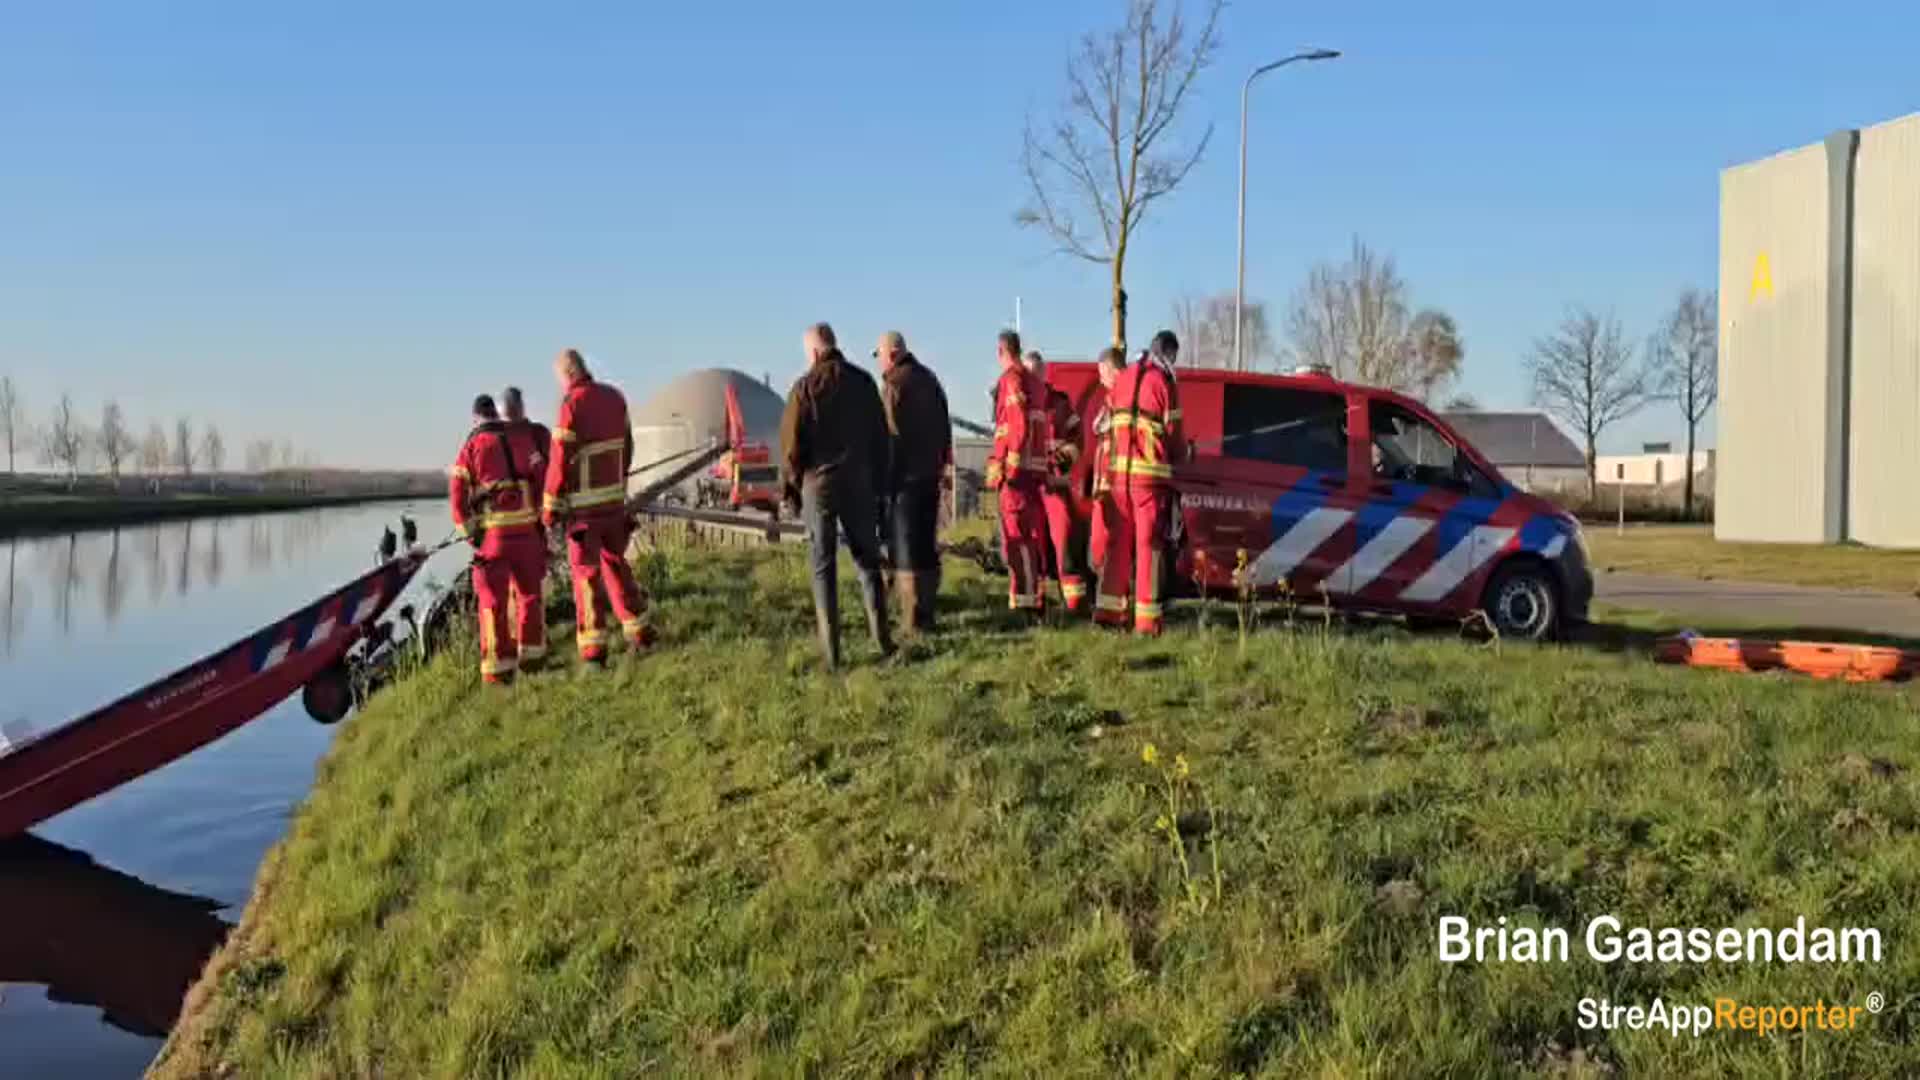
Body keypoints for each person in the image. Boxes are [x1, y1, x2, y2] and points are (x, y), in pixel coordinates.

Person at [780, 322, 894, 670]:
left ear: (815, 352)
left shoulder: (804, 388)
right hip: (859, 482)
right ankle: (883, 641)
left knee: (823, 567)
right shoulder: (864, 383)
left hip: (819, 485)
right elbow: (881, 439)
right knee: (868, 562)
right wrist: (878, 486)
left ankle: (832, 655)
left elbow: (791, 448)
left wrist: (791, 490)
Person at [541, 348, 651, 666]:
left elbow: (559, 459)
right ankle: (640, 631)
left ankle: (593, 649)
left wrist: (550, 507)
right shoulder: (615, 397)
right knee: (617, 566)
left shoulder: (571, 404)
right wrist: (619, 482)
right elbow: (628, 445)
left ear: (568, 374)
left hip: (584, 512)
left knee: (586, 576)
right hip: (614, 504)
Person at [450, 394, 547, 683]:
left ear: (475, 418)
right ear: (496, 413)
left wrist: (473, 536)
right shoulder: (523, 440)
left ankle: (498, 670)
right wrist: (537, 518)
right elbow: (542, 477)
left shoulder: (470, 448)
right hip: (527, 533)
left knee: (492, 600)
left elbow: (457, 501)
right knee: (530, 595)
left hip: (493, 538)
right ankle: (533, 660)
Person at [1094, 330, 1185, 635]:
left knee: (1118, 545)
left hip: (1119, 479)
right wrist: (1185, 453)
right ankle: (1146, 622)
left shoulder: (1124, 378)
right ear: (1168, 353)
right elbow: (1174, 435)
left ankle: (1109, 614)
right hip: (1148, 481)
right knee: (1148, 547)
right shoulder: (1164, 383)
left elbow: (1102, 423)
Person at [876, 330, 951, 633]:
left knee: (906, 550)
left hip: (903, 481)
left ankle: (912, 621)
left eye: (881, 356)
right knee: (926, 546)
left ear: (893, 354)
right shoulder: (931, 381)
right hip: (930, 477)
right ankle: (928, 612)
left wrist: (884, 481)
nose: (880, 363)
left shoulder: (894, 385)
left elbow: (888, 436)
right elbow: (945, 430)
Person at [986, 329, 1050, 615]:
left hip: (1017, 476)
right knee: (1030, 539)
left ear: (1001, 351)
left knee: (1016, 539)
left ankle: (1023, 603)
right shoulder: (1035, 383)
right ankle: (1033, 598)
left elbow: (1017, 426)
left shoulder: (1011, 379)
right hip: (1033, 474)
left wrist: (1008, 467)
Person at [1022, 350, 1086, 612]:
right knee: (1033, 543)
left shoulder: (1060, 403)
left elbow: (1077, 437)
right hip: (1030, 486)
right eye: (1028, 373)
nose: (1032, 378)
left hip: (1055, 484)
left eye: (1036, 373)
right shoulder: (1019, 403)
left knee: (1064, 541)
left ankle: (1074, 605)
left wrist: (1064, 458)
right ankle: (1036, 605)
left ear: (1044, 373)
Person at [1085, 348, 1126, 583]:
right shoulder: (1115, 396)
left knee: (1105, 544)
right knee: (1105, 544)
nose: (1101, 381)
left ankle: (1111, 591)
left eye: (1103, 374)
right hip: (1108, 483)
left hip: (1112, 484)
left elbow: (1098, 425)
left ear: (1113, 370)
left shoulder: (1120, 396)